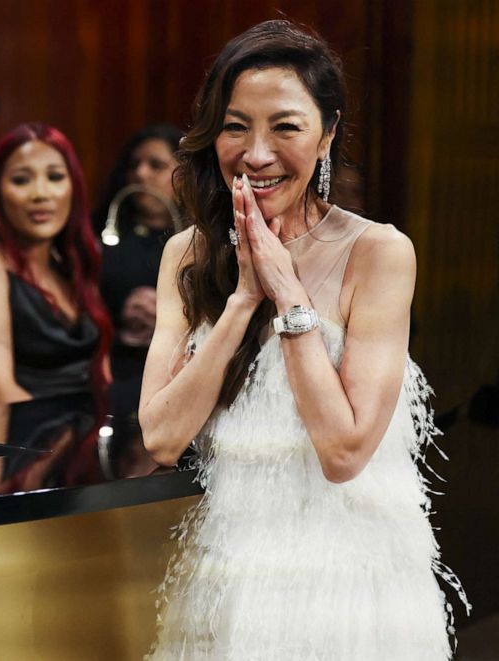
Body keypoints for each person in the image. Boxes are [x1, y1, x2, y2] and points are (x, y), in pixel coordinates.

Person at [139, 20, 467, 659]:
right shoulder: (187, 254)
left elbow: (344, 453)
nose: (256, 154)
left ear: (328, 134)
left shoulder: (378, 252)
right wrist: (241, 301)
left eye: (285, 127)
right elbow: (160, 436)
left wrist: (290, 298)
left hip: (347, 584)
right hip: (229, 575)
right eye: (236, 126)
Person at [0, 123, 112, 405]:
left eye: (55, 177)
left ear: (74, 187)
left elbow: (101, 378)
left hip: (85, 439)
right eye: (21, 180)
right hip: (24, 442)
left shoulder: (71, 268)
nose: (40, 193)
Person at [93, 123, 184, 414]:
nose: (141, 174)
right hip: (118, 366)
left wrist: (174, 314)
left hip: (180, 370)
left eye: (155, 165)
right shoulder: (104, 234)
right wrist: (117, 314)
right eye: (134, 165)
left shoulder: (200, 239)